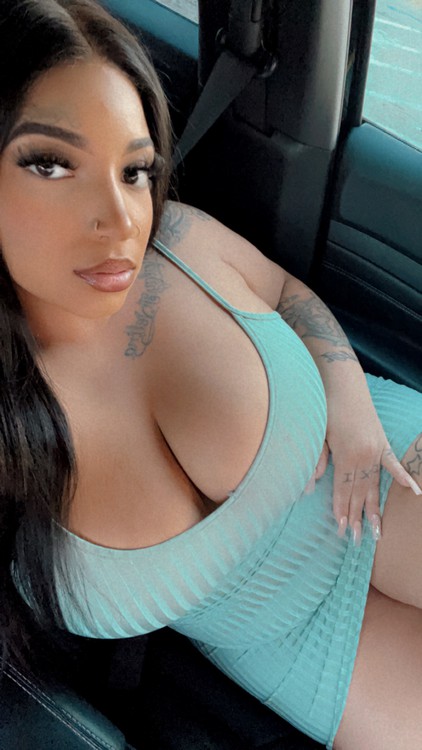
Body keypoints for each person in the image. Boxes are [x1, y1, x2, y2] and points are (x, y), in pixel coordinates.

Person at [0, 1, 420, 748]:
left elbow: (286, 293)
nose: (120, 219)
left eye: (134, 170)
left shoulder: (179, 241)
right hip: (290, 643)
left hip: (376, 463)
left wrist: (349, 400)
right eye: (52, 163)